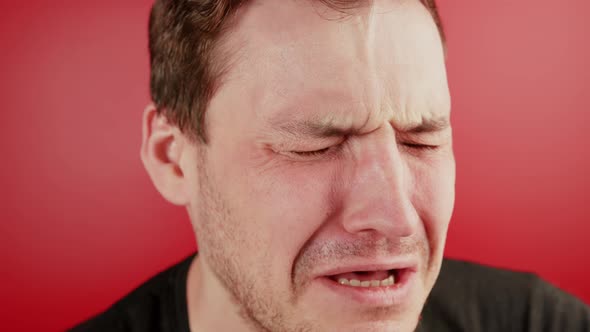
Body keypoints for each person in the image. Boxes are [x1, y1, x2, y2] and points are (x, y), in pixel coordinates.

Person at [71, 0, 590, 331]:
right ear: (172, 158)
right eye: (313, 147)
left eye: (422, 140)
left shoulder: (540, 322)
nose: (396, 217)